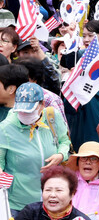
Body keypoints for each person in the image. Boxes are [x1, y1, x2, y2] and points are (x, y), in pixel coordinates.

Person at [0, 83, 71, 213]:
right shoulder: (5, 128)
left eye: (29, 110)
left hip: (51, 200)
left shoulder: (52, 117)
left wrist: (61, 154)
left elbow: (64, 141)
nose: (24, 114)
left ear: (42, 105)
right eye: (21, 110)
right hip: (18, 203)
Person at [15, 166, 89, 220]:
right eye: (48, 190)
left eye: (59, 190)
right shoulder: (30, 212)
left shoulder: (80, 218)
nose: (52, 195)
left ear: (72, 194)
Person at [67, 142, 99, 220]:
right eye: (84, 158)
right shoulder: (68, 182)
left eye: (94, 159)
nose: (88, 162)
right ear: (78, 162)